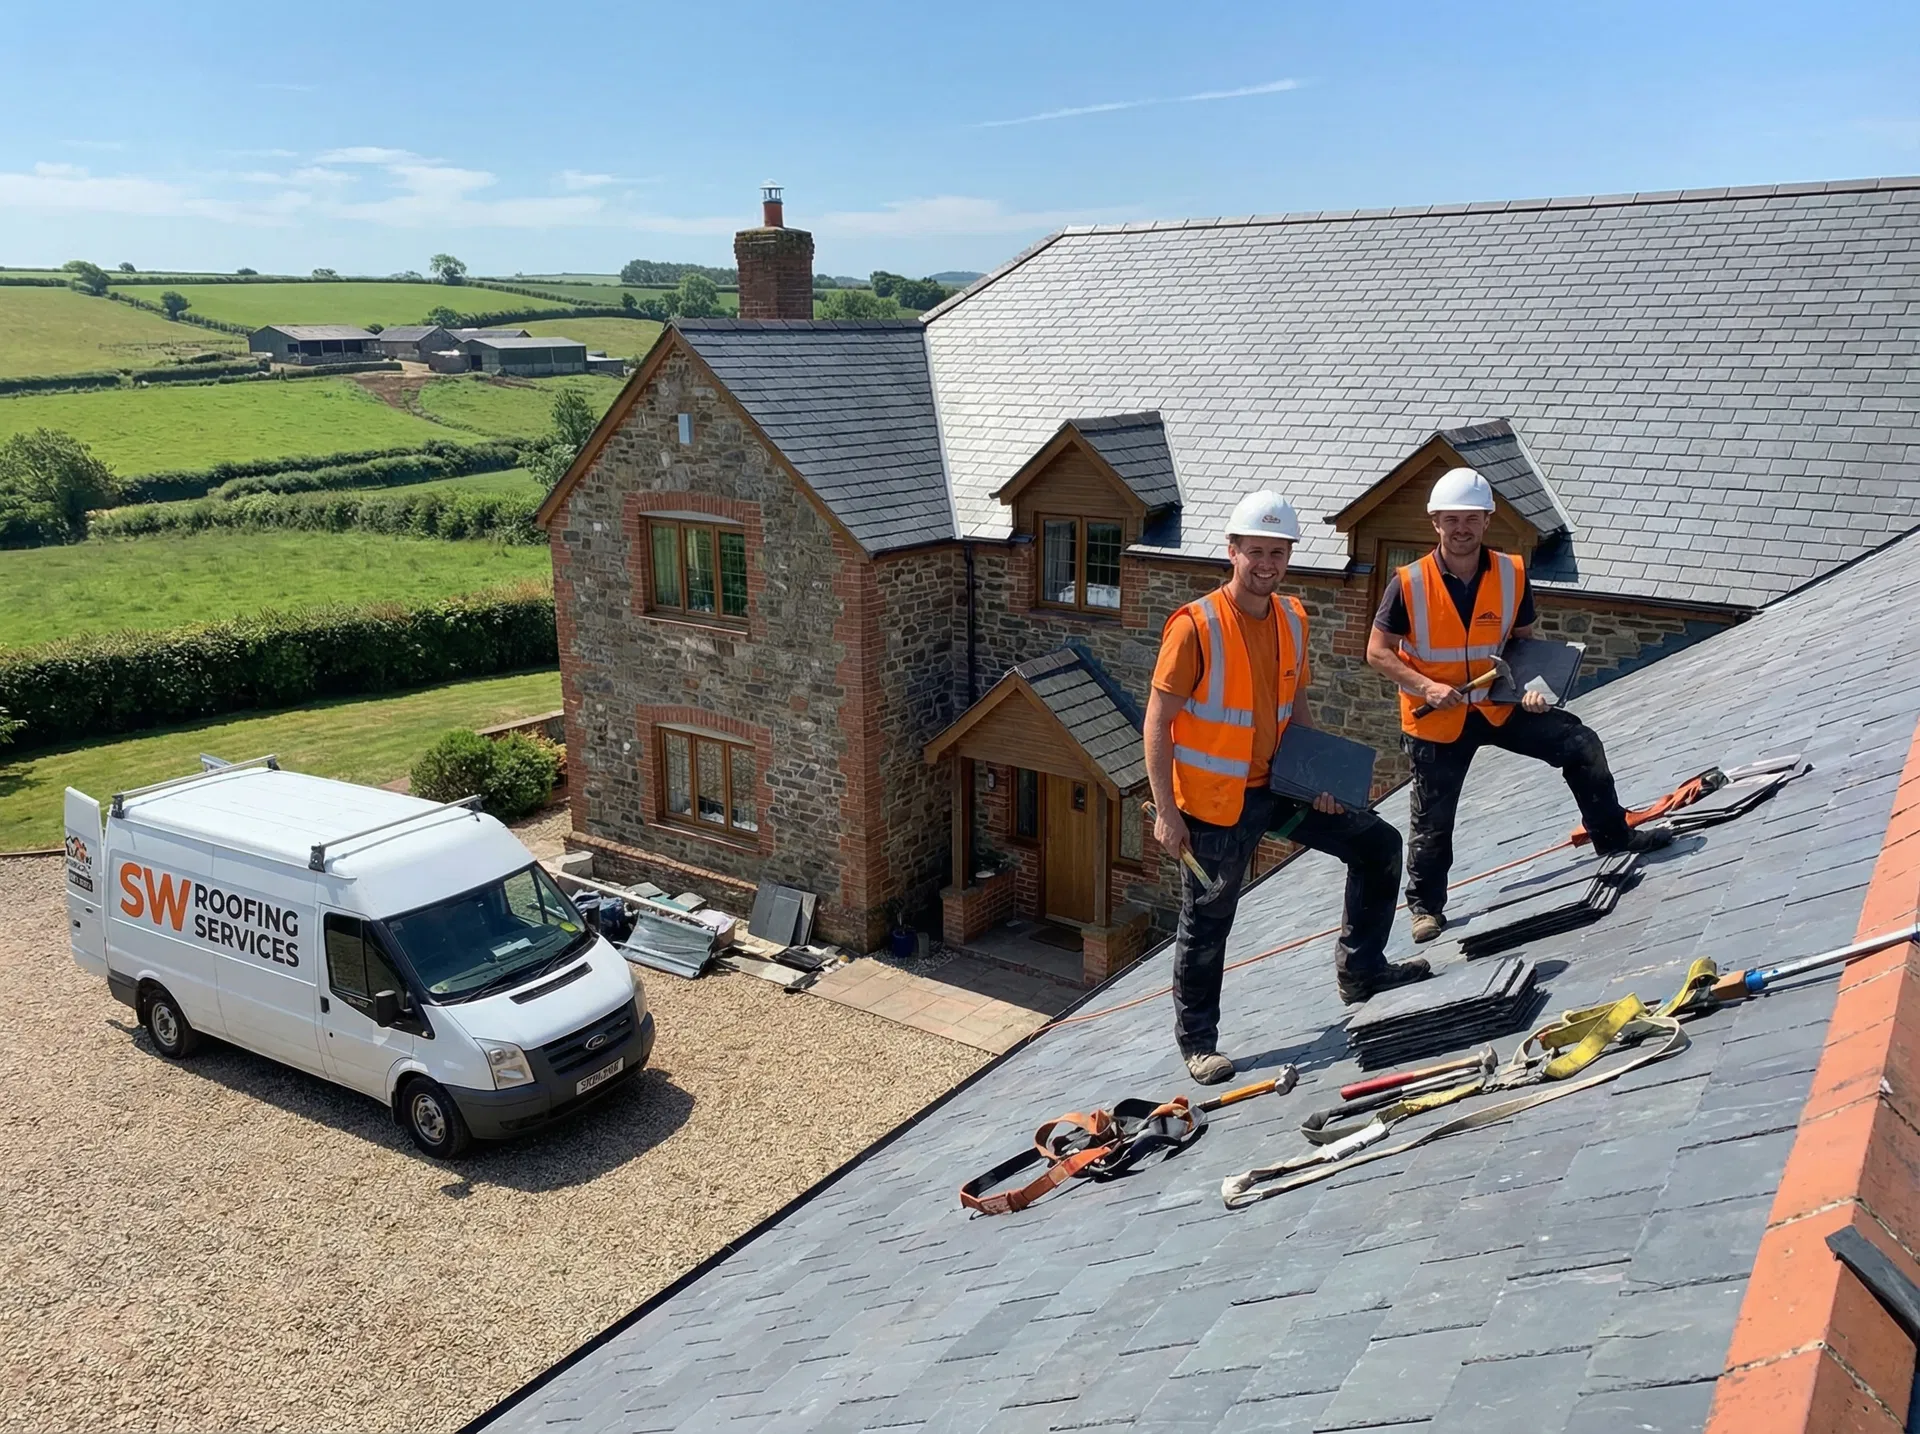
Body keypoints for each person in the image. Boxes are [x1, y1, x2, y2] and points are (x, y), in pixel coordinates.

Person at [1145, 490, 1428, 1086]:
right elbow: (1157, 722)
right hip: (1216, 805)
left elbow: (1294, 707)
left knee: (1377, 844)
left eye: (1278, 553)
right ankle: (1199, 1043)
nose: (1267, 564)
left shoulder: (1293, 618)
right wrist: (1167, 813)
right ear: (1232, 551)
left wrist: (1316, 780)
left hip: (1279, 787)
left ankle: (1362, 971)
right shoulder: (1194, 627)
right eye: (1256, 552)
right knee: (1209, 916)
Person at [1365, 466, 1673, 944]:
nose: (1462, 529)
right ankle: (1425, 907)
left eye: (1472, 519)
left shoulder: (1511, 573)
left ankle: (1613, 836)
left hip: (1497, 703)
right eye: (1452, 520)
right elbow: (1377, 651)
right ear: (1436, 522)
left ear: (1487, 521)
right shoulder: (1408, 582)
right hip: (1439, 717)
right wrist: (1426, 687)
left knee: (1580, 743)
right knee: (1432, 819)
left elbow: (1522, 643)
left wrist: (1529, 688)